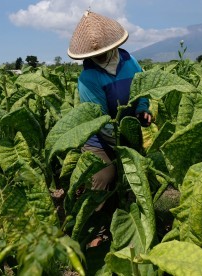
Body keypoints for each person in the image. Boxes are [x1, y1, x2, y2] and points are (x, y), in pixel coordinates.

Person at [67, 10, 151, 246]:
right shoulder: (88, 77)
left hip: (127, 130)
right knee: (104, 176)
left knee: (136, 177)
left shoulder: (130, 62)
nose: (101, 56)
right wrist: (123, 148)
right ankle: (92, 232)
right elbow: (100, 121)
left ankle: (135, 228)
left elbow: (141, 91)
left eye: (104, 51)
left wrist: (143, 110)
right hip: (99, 137)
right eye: (96, 54)